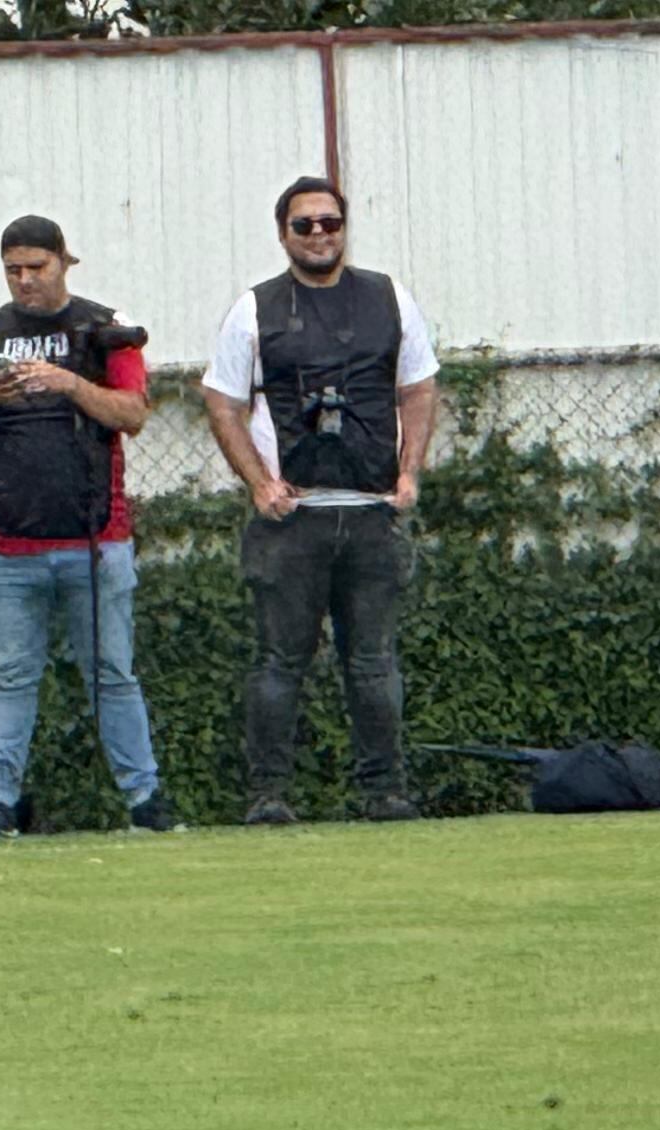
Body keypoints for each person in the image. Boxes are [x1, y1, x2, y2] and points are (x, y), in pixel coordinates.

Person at [202, 177, 440, 827]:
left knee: (373, 663)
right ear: (283, 234)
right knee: (279, 663)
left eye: (329, 223)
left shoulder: (389, 299)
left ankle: (384, 792)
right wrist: (258, 483)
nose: (318, 235)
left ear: (344, 228)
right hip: (292, 519)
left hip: (371, 513)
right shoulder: (254, 310)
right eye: (303, 225)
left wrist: (409, 473)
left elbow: (418, 386)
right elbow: (221, 400)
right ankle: (269, 794)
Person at [0, 216, 174, 834]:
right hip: (9, 548)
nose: (24, 282)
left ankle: (145, 800)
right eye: (13, 270)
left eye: (36, 269)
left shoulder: (102, 327)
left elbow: (134, 413)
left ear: (66, 263)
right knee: (11, 677)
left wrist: (67, 382)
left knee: (113, 675)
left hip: (96, 541)